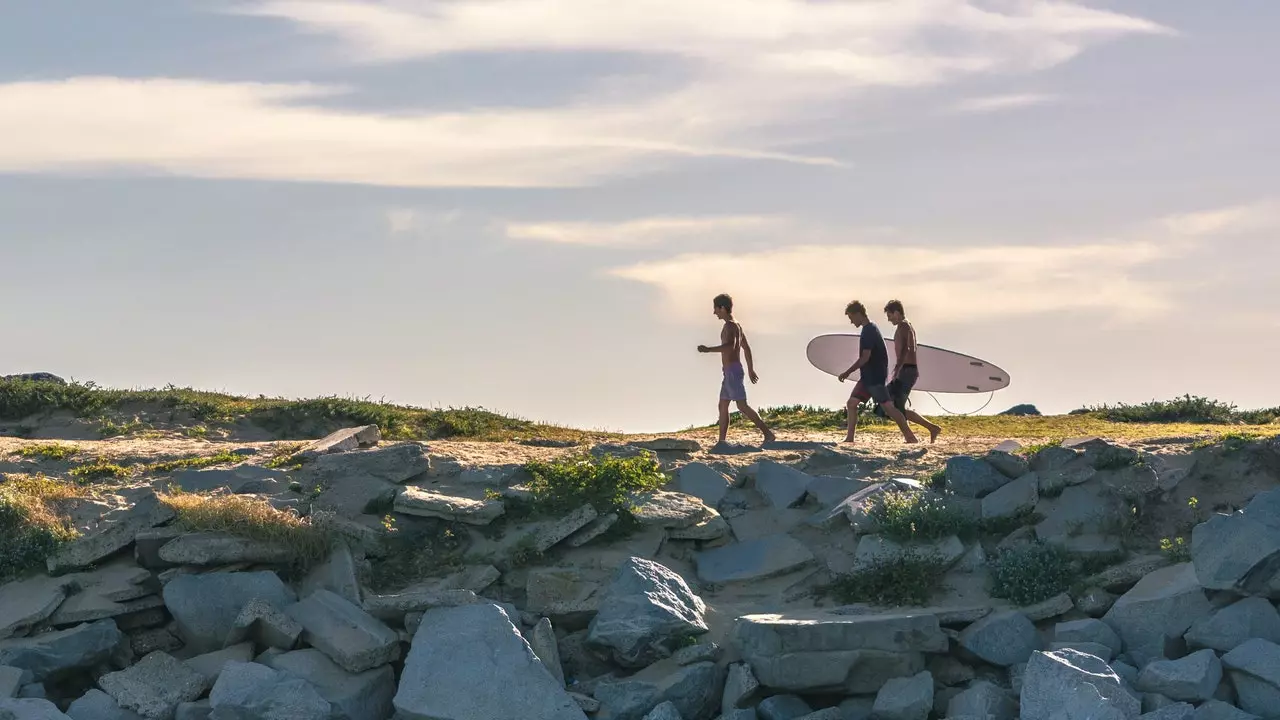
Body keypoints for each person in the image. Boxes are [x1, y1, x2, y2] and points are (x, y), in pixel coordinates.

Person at [697, 293, 776, 447]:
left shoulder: (731, 326)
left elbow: (731, 346)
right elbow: (746, 348)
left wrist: (708, 350)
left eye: (716, 309)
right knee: (723, 405)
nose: (714, 313)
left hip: (732, 371)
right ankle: (722, 442)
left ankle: (768, 434)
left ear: (722, 308)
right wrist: (751, 369)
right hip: (729, 372)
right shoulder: (736, 325)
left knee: (741, 405)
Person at [837, 300, 919, 444]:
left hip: (874, 379)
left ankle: (910, 437)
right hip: (867, 378)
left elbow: (865, 357)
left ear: (858, 314)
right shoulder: (869, 329)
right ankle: (850, 438)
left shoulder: (869, 330)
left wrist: (847, 372)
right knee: (851, 403)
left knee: (889, 408)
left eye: (851, 318)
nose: (851, 321)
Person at [884, 300, 942, 443]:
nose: (888, 319)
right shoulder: (905, 325)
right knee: (894, 406)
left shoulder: (904, 325)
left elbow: (909, 348)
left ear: (896, 312)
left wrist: (898, 367)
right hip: (907, 370)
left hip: (906, 370)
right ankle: (930, 429)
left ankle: (913, 436)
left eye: (890, 315)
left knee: (890, 405)